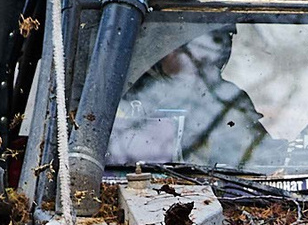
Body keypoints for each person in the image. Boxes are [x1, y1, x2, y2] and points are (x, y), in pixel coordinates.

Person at [112, 25, 274, 166]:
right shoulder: (130, 92)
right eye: (165, 44)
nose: (169, 52)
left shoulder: (227, 97)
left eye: (174, 46)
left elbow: (246, 160)